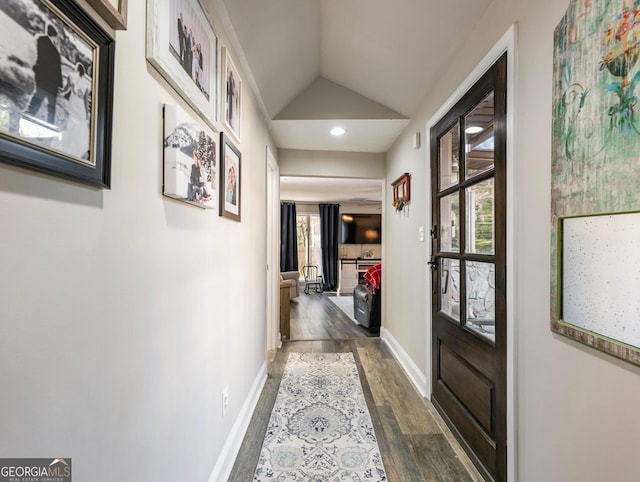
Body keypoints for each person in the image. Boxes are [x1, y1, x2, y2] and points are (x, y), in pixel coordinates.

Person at [28, 23, 63, 125]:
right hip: (50, 81)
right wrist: (60, 83)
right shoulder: (53, 49)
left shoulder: (41, 40)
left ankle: (29, 114)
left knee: (38, 97)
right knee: (50, 105)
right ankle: (49, 123)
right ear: (55, 36)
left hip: (42, 76)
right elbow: (57, 68)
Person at [60, 62, 91, 159]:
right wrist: (87, 114)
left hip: (73, 103)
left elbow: (67, 89)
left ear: (76, 68)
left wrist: (61, 92)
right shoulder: (86, 83)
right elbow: (86, 101)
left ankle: (69, 144)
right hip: (81, 106)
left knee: (72, 121)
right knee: (80, 125)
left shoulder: (71, 76)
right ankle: (77, 147)